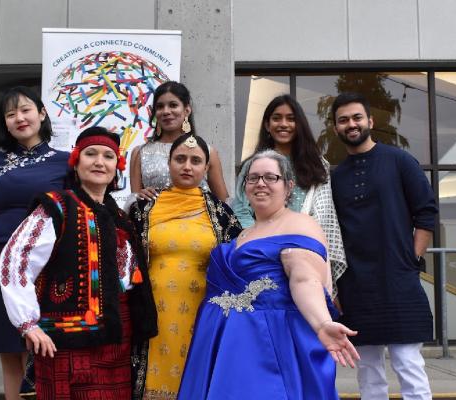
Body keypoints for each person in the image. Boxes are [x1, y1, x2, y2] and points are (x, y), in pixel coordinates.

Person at [178, 150, 359, 400]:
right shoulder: (243, 233)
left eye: (270, 177)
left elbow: (305, 278)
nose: (260, 183)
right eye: (253, 178)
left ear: (288, 187)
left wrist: (321, 323)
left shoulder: (300, 224)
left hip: (264, 345)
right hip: (220, 343)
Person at [0, 127, 158, 399]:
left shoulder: (120, 217)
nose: (99, 162)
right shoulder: (57, 207)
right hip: (66, 344)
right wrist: (27, 323)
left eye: (109, 156)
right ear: (76, 161)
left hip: (117, 340)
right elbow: (16, 259)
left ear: (117, 166)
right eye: (91, 154)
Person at [330, 92, 437, 400]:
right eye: (343, 120)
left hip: (399, 280)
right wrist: (336, 287)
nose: (351, 124)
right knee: (368, 373)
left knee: (408, 366)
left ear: (370, 121)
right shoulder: (336, 177)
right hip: (356, 286)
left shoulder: (399, 160)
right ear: (336, 128)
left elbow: (426, 212)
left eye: (356, 118)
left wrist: (411, 259)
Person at [0, 86, 69, 400]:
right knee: (11, 351)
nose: (19, 118)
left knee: (52, 347)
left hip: (48, 265)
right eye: (11, 114)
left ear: (42, 114)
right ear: (5, 123)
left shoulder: (66, 162)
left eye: (25, 110)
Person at [129, 133, 242, 399]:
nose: (187, 166)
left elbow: (236, 267)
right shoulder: (143, 208)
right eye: (180, 159)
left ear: (206, 168)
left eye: (195, 161)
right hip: (152, 313)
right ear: (169, 164)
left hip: (203, 312)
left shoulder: (221, 213)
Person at [232, 95, 347, 298]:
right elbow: (241, 209)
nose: (283, 124)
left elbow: (326, 218)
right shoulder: (253, 165)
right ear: (267, 125)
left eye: (291, 118)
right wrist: (267, 243)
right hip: (262, 257)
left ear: (299, 124)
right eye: (277, 118)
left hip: (304, 253)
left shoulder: (317, 165)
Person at [130, 81, 229, 202]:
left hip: (198, 219)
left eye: (173, 105)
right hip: (155, 219)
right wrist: (140, 196)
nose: (166, 111)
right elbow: (133, 202)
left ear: (187, 110)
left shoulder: (207, 152)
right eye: (160, 106)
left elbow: (223, 201)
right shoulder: (140, 153)